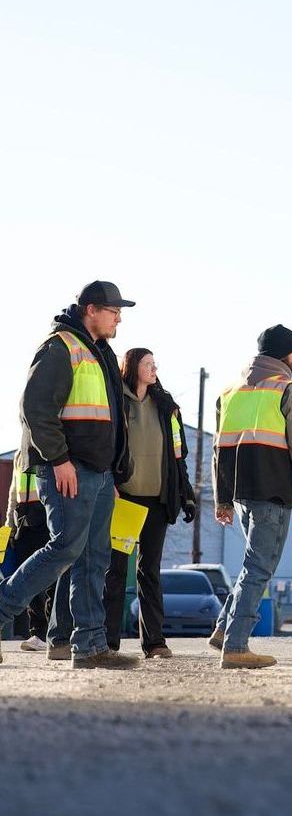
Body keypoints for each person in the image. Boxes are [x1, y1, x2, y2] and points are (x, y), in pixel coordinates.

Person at [0, 281, 139, 669]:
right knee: (64, 549)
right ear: (91, 309)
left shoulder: (100, 353)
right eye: (113, 310)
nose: (119, 317)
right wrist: (59, 459)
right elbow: (35, 407)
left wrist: (112, 471)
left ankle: (90, 646)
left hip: (98, 472)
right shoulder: (60, 347)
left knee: (94, 559)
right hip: (68, 469)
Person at [211, 324, 292, 669]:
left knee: (251, 564)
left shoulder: (230, 392)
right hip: (273, 492)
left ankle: (222, 630)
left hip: (242, 495)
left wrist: (222, 498)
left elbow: (218, 450)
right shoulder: (290, 391)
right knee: (259, 568)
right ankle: (235, 646)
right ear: (282, 354)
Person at [102, 348, 196, 658]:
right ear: (132, 367)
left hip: (157, 500)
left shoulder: (167, 407)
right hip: (124, 500)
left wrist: (186, 494)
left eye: (155, 363)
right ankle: (108, 643)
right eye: (147, 363)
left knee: (150, 572)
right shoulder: (116, 401)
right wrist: (110, 485)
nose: (154, 368)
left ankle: (155, 642)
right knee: (115, 572)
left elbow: (179, 456)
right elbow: (105, 448)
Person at [4, 455, 53, 651]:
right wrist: (9, 525)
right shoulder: (19, 455)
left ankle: (50, 632)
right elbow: (13, 492)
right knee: (28, 578)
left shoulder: (45, 450)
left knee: (51, 579)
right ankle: (38, 632)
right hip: (24, 521)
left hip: (46, 517)